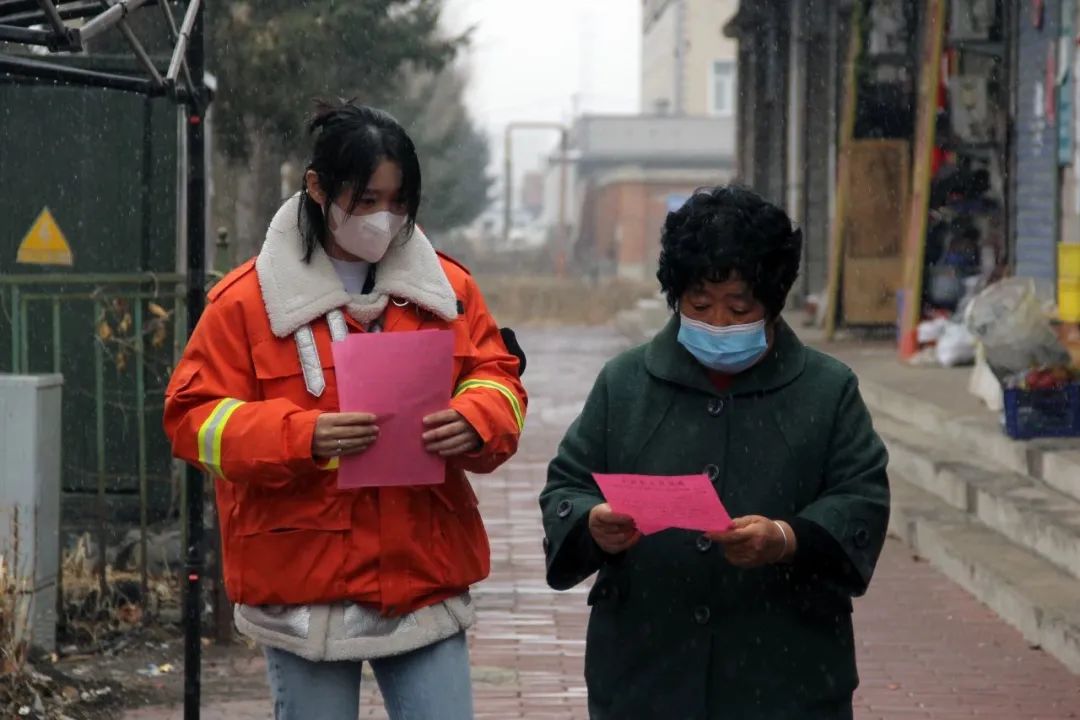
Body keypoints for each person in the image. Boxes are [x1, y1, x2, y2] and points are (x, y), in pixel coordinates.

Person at [164, 101, 527, 720]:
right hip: (302, 585)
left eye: (399, 200)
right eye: (364, 200)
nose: (383, 218)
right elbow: (192, 419)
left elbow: (498, 378)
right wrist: (302, 437)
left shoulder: (447, 291)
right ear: (317, 188)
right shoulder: (246, 303)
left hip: (421, 573)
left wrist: (475, 418)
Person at [539, 186, 890, 719]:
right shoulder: (627, 383)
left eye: (738, 307)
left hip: (785, 675)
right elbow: (567, 485)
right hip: (646, 674)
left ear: (772, 302)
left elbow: (861, 497)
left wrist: (785, 538)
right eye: (700, 306)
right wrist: (593, 523)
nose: (719, 325)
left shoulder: (826, 388)